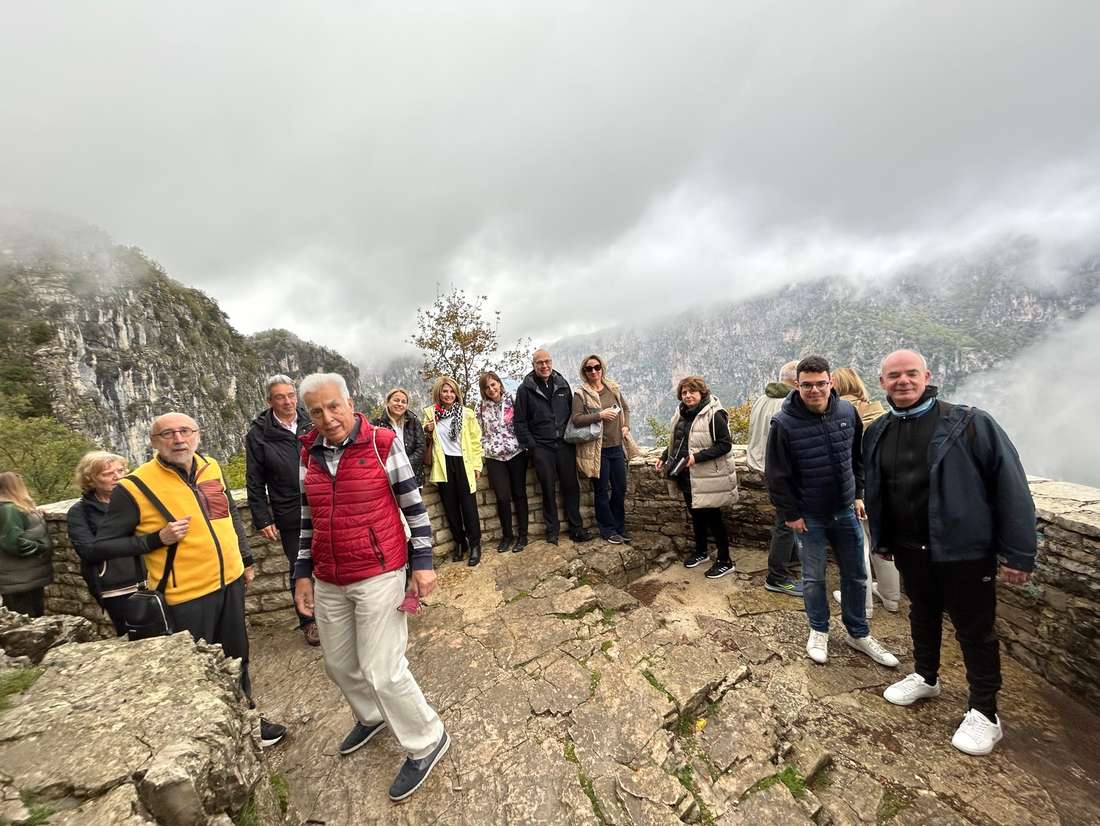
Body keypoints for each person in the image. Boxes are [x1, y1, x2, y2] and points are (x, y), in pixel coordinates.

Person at [865, 350, 1036, 756]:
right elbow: (880, 488)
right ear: (882, 382)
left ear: (927, 376)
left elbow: (1011, 487)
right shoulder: (879, 431)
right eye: (893, 376)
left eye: (910, 374)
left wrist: (1019, 553)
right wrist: (884, 541)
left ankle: (985, 712)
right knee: (921, 615)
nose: (902, 381)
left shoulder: (969, 423)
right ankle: (926, 676)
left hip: (964, 549)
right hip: (911, 548)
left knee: (975, 629)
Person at [293, 373, 448, 803]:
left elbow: (413, 506)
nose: (327, 417)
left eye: (333, 406)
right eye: (317, 411)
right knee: (340, 665)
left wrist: (423, 563)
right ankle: (372, 715)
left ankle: (426, 738)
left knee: (382, 667)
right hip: (329, 576)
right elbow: (309, 519)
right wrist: (301, 571)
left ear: (349, 402)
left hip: (380, 571)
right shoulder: (307, 454)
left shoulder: (381, 444)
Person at [90, 412, 287, 748]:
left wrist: (246, 557)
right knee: (199, 668)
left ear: (197, 434)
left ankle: (247, 720)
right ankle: (209, 739)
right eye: (168, 434)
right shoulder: (135, 486)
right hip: (185, 596)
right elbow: (101, 547)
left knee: (237, 656)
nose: (178, 439)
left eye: (185, 431)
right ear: (153, 442)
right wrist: (155, 540)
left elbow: (226, 518)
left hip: (230, 582)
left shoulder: (210, 466)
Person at [764, 355, 898, 669]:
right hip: (808, 516)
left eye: (820, 383)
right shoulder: (784, 424)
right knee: (813, 578)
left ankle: (858, 633)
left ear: (831, 383)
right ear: (797, 385)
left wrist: (858, 494)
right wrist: (791, 514)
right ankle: (819, 630)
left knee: (856, 574)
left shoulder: (847, 412)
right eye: (807, 385)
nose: (814, 390)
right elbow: (776, 475)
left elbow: (856, 459)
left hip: (844, 510)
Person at [245, 375, 319, 645]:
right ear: (269, 401)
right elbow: (254, 480)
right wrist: (262, 517)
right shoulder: (258, 434)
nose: (287, 401)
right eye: (280, 397)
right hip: (289, 510)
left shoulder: (311, 421)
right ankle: (309, 622)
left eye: (291, 395)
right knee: (299, 567)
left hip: (322, 503)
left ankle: (337, 615)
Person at [829, 367, 900, 616]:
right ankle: (891, 598)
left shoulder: (839, 414)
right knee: (881, 542)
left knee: (856, 544)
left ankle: (863, 604)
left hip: (855, 489)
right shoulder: (881, 413)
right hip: (884, 488)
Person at [655, 376, 738, 579]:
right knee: (696, 515)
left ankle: (725, 561)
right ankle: (701, 551)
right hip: (687, 475)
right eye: (684, 392)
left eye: (692, 391)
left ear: (702, 392)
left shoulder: (714, 414)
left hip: (707, 477)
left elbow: (725, 444)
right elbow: (677, 441)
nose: (688, 395)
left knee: (714, 518)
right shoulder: (682, 414)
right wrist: (664, 456)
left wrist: (696, 457)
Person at [513, 349, 592, 545]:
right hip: (542, 448)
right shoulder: (525, 389)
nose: (544, 365)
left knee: (571, 486)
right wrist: (532, 447)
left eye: (547, 361)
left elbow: (572, 413)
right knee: (547, 489)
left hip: (564, 444)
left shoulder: (561, 383)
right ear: (534, 365)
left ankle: (576, 528)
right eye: (540, 362)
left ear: (552, 362)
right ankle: (552, 530)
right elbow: (520, 422)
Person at [66, 451, 143, 635]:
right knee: (132, 636)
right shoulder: (80, 511)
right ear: (90, 480)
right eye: (108, 474)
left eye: (121, 470)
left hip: (153, 580)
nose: (118, 477)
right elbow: (89, 551)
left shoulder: (139, 500)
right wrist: (145, 542)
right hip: (116, 588)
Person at [746, 359, 803, 597]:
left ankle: (790, 559)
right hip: (780, 471)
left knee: (784, 520)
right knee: (786, 521)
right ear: (795, 381)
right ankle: (777, 577)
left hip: (761, 465)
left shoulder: (763, 398)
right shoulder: (787, 404)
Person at [571, 354, 634, 545]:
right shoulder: (581, 394)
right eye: (589, 369)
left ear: (602, 368)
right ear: (584, 372)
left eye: (596, 367)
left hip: (617, 447)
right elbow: (576, 419)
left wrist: (626, 426)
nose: (593, 371)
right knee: (601, 491)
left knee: (620, 488)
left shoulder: (612, 387)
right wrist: (599, 415)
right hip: (597, 451)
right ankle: (607, 530)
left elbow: (625, 408)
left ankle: (619, 527)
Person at [422, 376, 484, 566]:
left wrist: (476, 465)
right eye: (445, 391)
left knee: (469, 507)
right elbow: (426, 439)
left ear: (456, 394)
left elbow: (475, 441)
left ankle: (475, 544)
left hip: (463, 463)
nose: (448, 394)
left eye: (451, 391)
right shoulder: (430, 414)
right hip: (443, 464)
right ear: (438, 393)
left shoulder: (466, 413)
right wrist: (427, 430)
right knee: (450, 508)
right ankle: (459, 542)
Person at [476, 372, 529, 552]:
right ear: (483, 390)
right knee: (502, 497)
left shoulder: (513, 400)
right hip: (494, 457)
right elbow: (477, 431)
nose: (491, 389)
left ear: (499, 384)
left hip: (516, 453)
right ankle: (507, 536)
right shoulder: (480, 408)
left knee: (519, 494)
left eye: (494, 384)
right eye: (487, 387)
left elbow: (522, 422)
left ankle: (523, 535)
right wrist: (485, 447)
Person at [0, 472, 52, 618]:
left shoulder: (13, 508)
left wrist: (36, 513)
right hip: (18, 580)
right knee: (26, 620)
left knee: (34, 617)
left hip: (25, 577)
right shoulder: (8, 509)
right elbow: (13, 542)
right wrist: (40, 547)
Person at [373, 387, 428, 489]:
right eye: (396, 400)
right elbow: (374, 451)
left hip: (413, 476)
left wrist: (405, 465)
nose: (400, 404)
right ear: (388, 402)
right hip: (389, 478)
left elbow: (421, 448)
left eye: (403, 402)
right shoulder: (377, 424)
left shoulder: (414, 422)